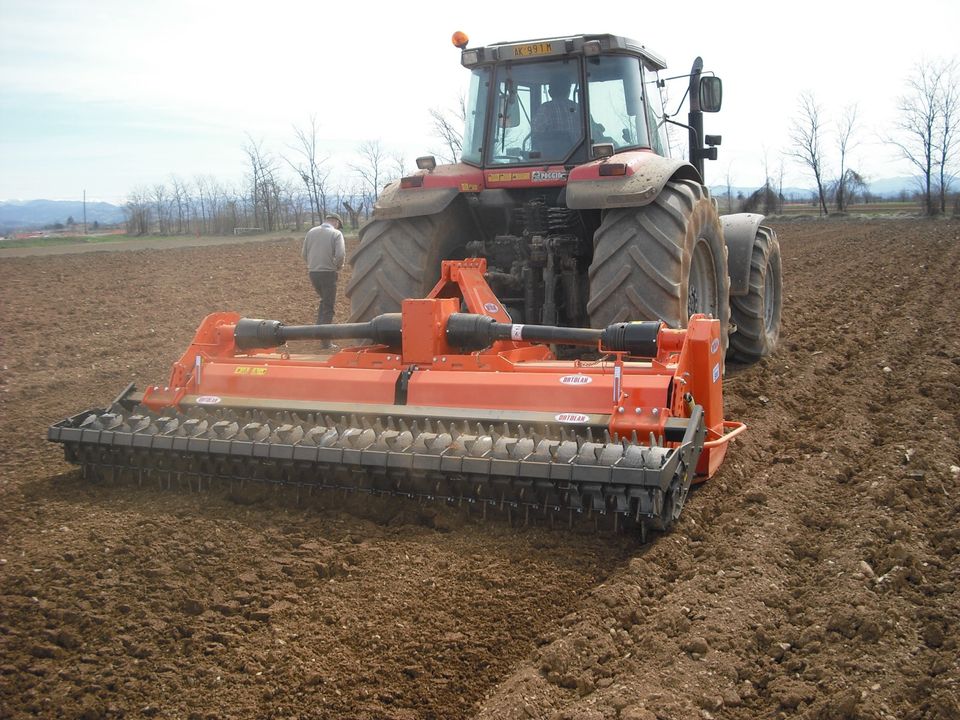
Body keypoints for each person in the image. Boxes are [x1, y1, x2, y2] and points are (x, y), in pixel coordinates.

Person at [302, 212, 345, 349]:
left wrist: (313, 264)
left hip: (313, 273)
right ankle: (325, 341)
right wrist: (337, 266)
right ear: (336, 222)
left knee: (324, 301)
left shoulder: (311, 232)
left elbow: (304, 253)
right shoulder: (336, 234)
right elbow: (340, 255)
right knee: (328, 307)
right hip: (328, 273)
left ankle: (318, 331)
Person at [531, 79, 581, 156]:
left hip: (552, 158)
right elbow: (592, 130)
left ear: (550, 92)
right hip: (579, 155)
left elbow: (537, 131)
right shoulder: (578, 107)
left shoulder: (546, 108)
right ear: (568, 91)